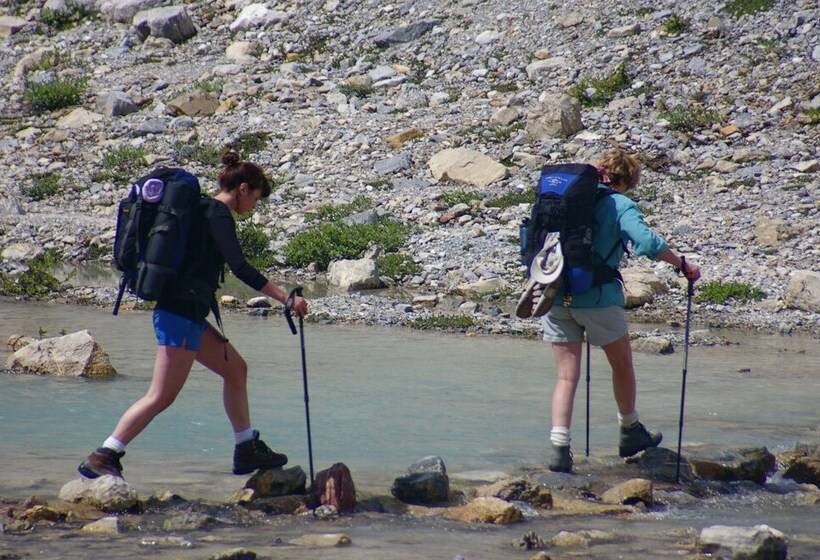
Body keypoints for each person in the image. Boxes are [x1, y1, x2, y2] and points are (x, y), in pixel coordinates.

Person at [79, 151, 308, 479]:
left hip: (186, 313)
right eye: (255, 198)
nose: (253, 207)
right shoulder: (217, 214)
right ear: (243, 189)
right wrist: (286, 299)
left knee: (236, 370)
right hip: (180, 315)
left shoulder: (199, 209)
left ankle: (246, 448)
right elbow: (240, 267)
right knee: (160, 396)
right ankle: (105, 454)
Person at [536, 147, 701, 473]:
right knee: (622, 365)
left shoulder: (563, 200)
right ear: (625, 181)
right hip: (598, 298)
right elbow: (647, 243)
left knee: (566, 376)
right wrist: (682, 263)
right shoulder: (619, 203)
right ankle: (629, 430)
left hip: (555, 294)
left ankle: (558, 449)